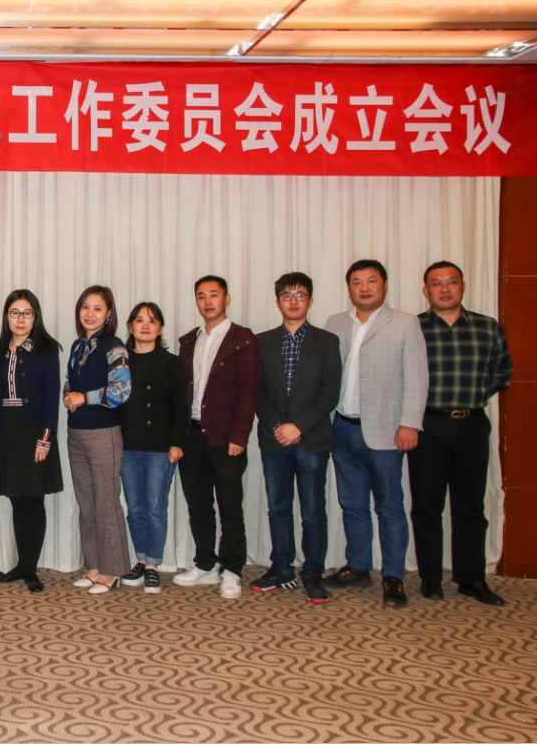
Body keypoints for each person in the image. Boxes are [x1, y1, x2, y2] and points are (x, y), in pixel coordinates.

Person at [324, 259, 428, 610]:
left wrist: (410, 423)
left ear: (384, 285)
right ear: (348, 287)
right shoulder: (336, 323)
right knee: (352, 504)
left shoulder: (405, 323)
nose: (364, 287)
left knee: (389, 506)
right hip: (342, 428)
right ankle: (357, 566)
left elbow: (417, 376)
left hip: (386, 431)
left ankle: (393, 575)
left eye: (371, 280)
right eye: (357, 282)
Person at [409, 261, 513, 606]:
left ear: (463, 287)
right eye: (437, 283)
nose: (445, 289)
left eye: (451, 282)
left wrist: (473, 396)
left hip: (471, 425)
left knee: (470, 505)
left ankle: (471, 579)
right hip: (428, 425)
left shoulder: (487, 327)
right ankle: (431, 578)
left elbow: (502, 372)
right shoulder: (414, 327)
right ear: (426, 290)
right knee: (427, 506)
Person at [253, 273, 342, 604]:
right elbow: (256, 391)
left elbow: (330, 393)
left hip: (311, 439)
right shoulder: (261, 342)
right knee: (278, 508)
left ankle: (313, 572)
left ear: (310, 301)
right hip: (274, 438)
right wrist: (279, 425)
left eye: (300, 295)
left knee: (313, 510)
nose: (293, 301)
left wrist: (298, 427)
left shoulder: (327, 341)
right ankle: (282, 567)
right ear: (277, 301)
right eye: (287, 295)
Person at [173, 275, 259, 600]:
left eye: (213, 294)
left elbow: (249, 393)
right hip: (192, 436)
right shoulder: (188, 341)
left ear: (227, 299)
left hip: (226, 439)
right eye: (201, 296)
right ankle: (205, 563)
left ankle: (232, 569)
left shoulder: (242, 339)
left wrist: (240, 436)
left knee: (230, 507)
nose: (207, 301)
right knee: (199, 506)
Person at [0, 290, 63, 594]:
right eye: (15, 313)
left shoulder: (47, 350)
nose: (20, 319)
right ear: (6, 316)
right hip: (6, 431)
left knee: (33, 499)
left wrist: (45, 439)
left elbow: (51, 398)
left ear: (35, 316)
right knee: (17, 498)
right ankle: (21, 564)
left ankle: (30, 568)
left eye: (27, 313)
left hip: (34, 433)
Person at [63, 286, 132, 595]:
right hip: (75, 432)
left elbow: (121, 391)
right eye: (85, 307)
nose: (90, 314)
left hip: (104, 433)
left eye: (97, 308)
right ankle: (94, 565)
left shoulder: (114, 346)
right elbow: (70, 383)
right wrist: (68, 395)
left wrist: (84, 397)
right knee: (87, 503)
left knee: (106, 503)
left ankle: (112, 570)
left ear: (108, 314)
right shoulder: (78, 345)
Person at [117, 302, 188, 596]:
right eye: (140, 320)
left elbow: (180, 407)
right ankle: (141, 558)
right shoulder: (119, 361)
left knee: (156, 508)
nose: (145, 325)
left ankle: (153, 566)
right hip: (127, 447)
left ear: (160, 328)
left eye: (152, 320)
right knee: (134, 508)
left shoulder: (172, 363)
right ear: (130, 326)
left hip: (160, 448)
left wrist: (177, 443)